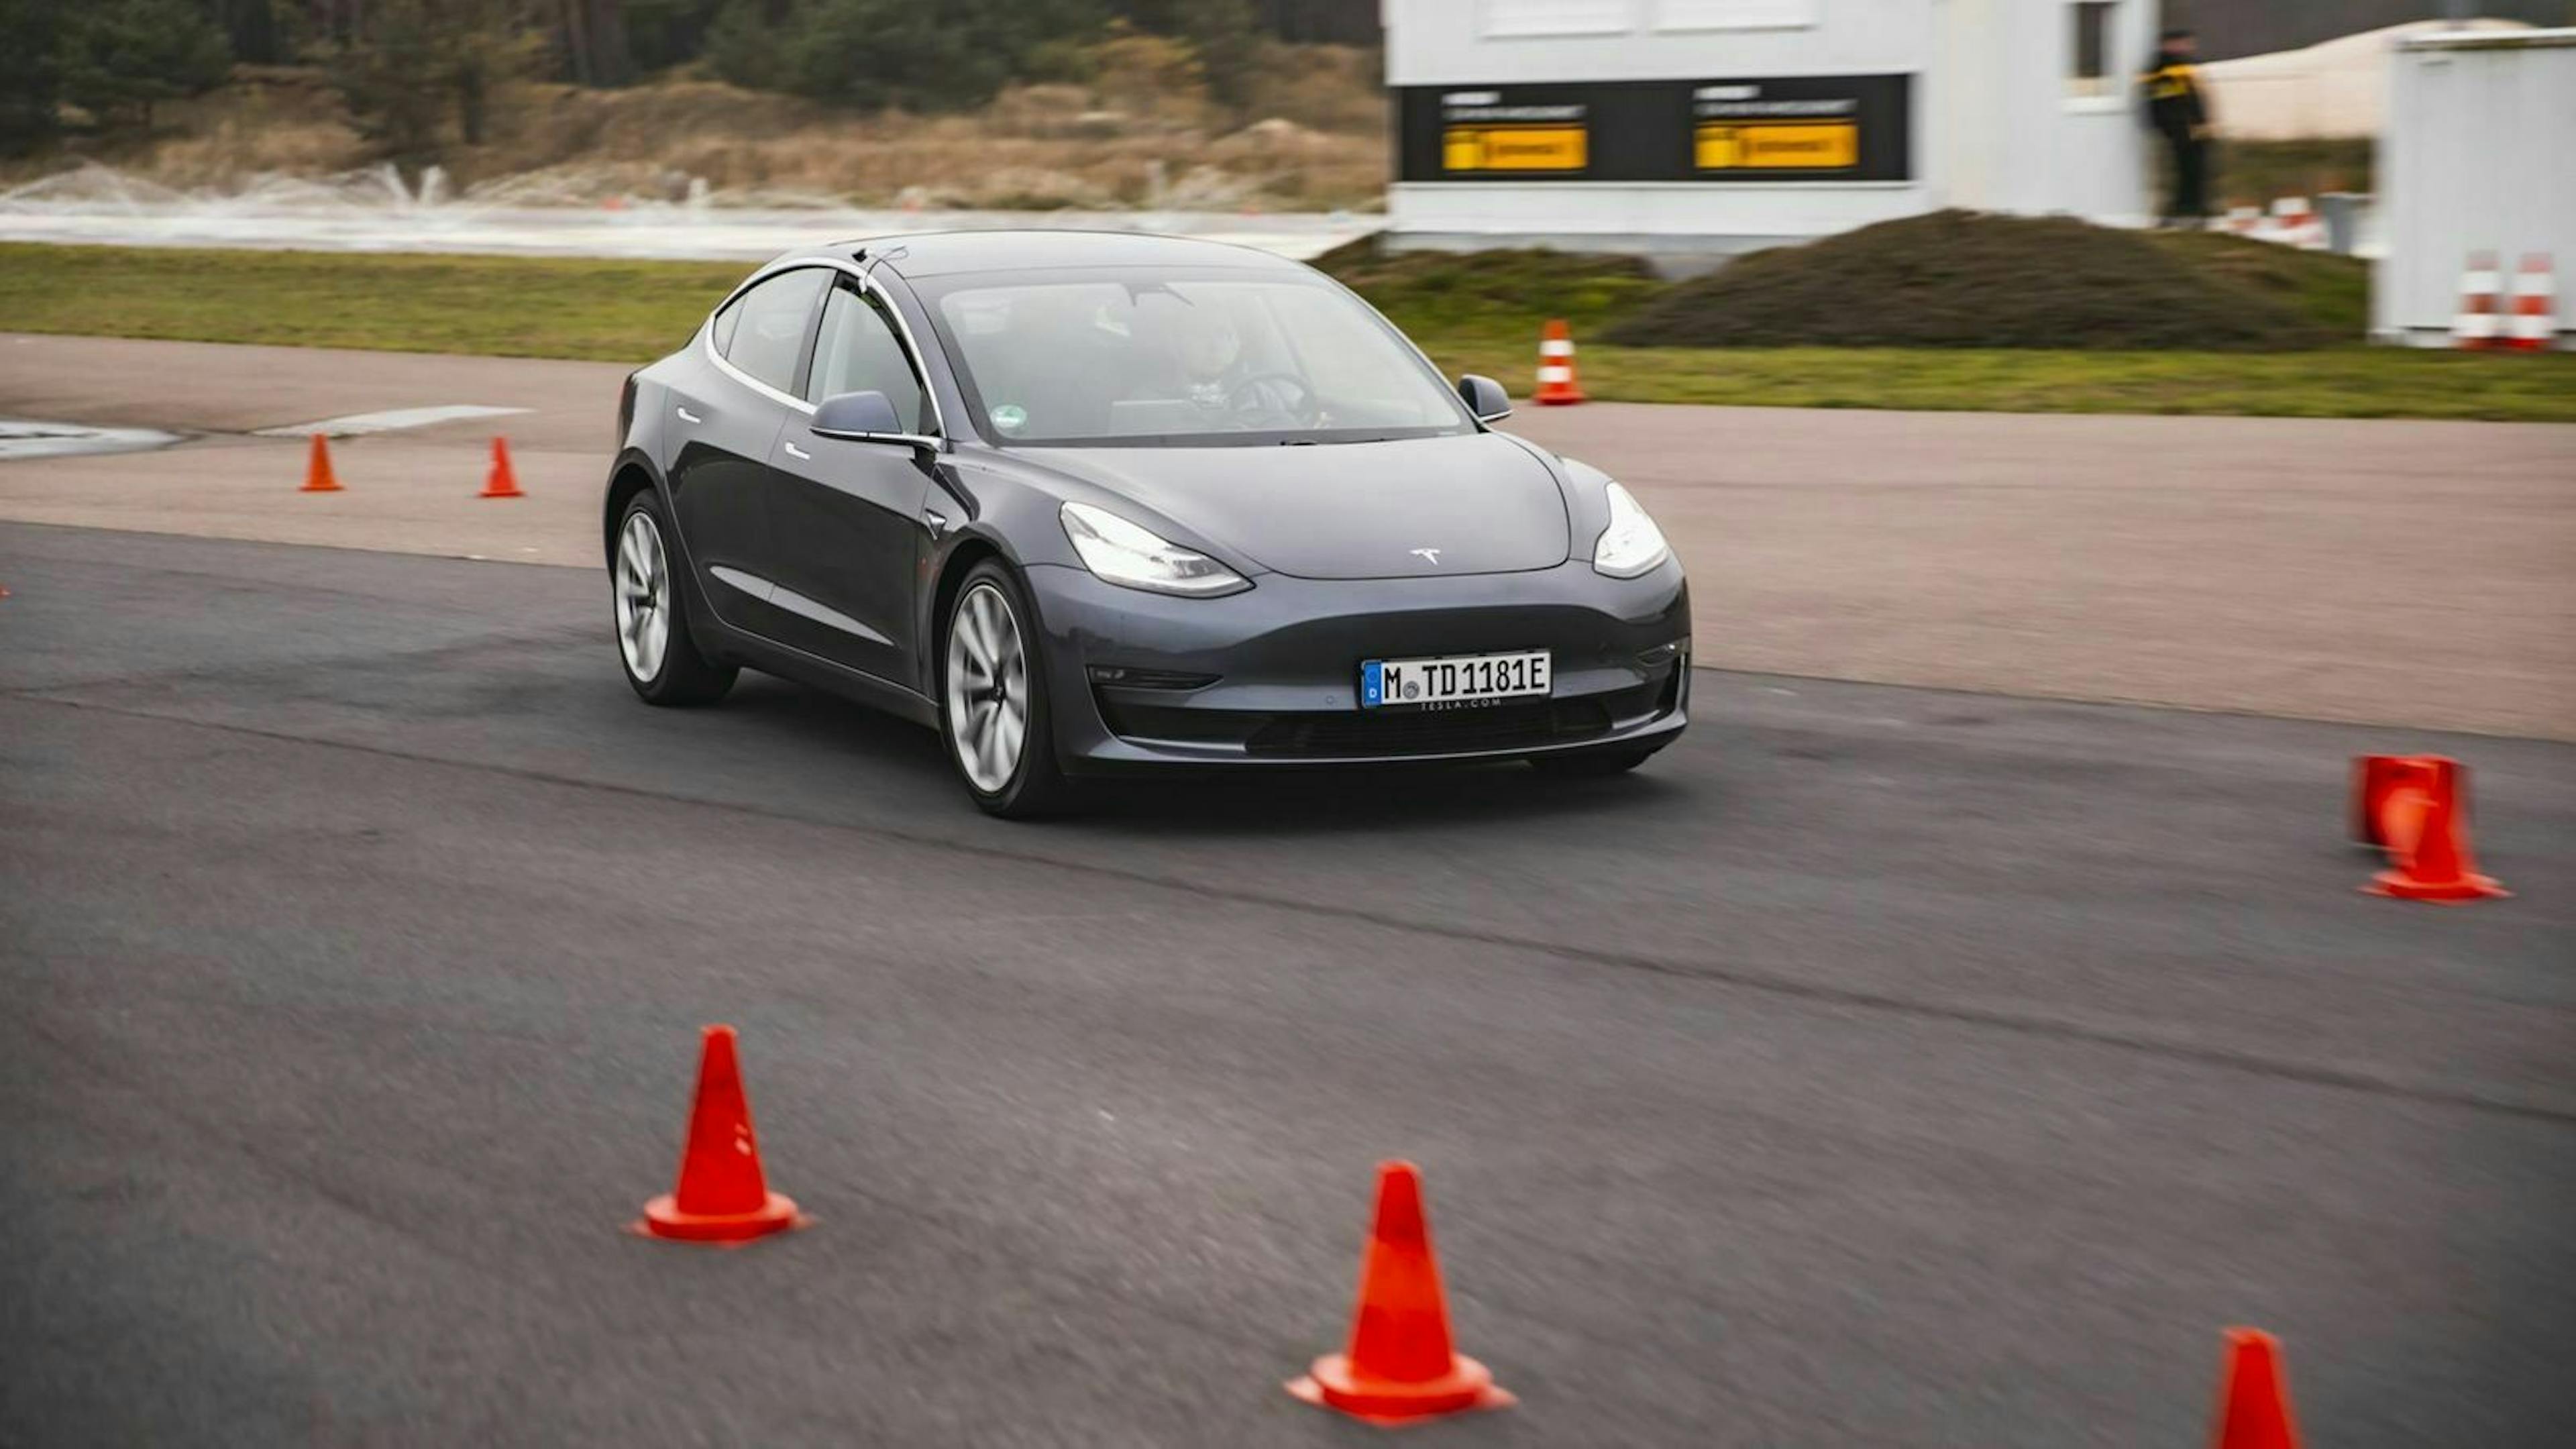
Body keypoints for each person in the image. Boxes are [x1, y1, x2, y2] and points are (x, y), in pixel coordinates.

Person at [2141, 28, 2214, 227]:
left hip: (2191, 131)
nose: (2189, 46)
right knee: (2181, 174)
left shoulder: (2182, 66)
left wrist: (2203, 124)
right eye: (2184, 42)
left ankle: (2193, 210)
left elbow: (2193, 99)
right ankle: (2177, 214)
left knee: (2195, 172)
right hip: (2179, 132)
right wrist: (2181, 128)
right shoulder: (2163, 69)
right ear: (2169, 44)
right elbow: (2168, 103)